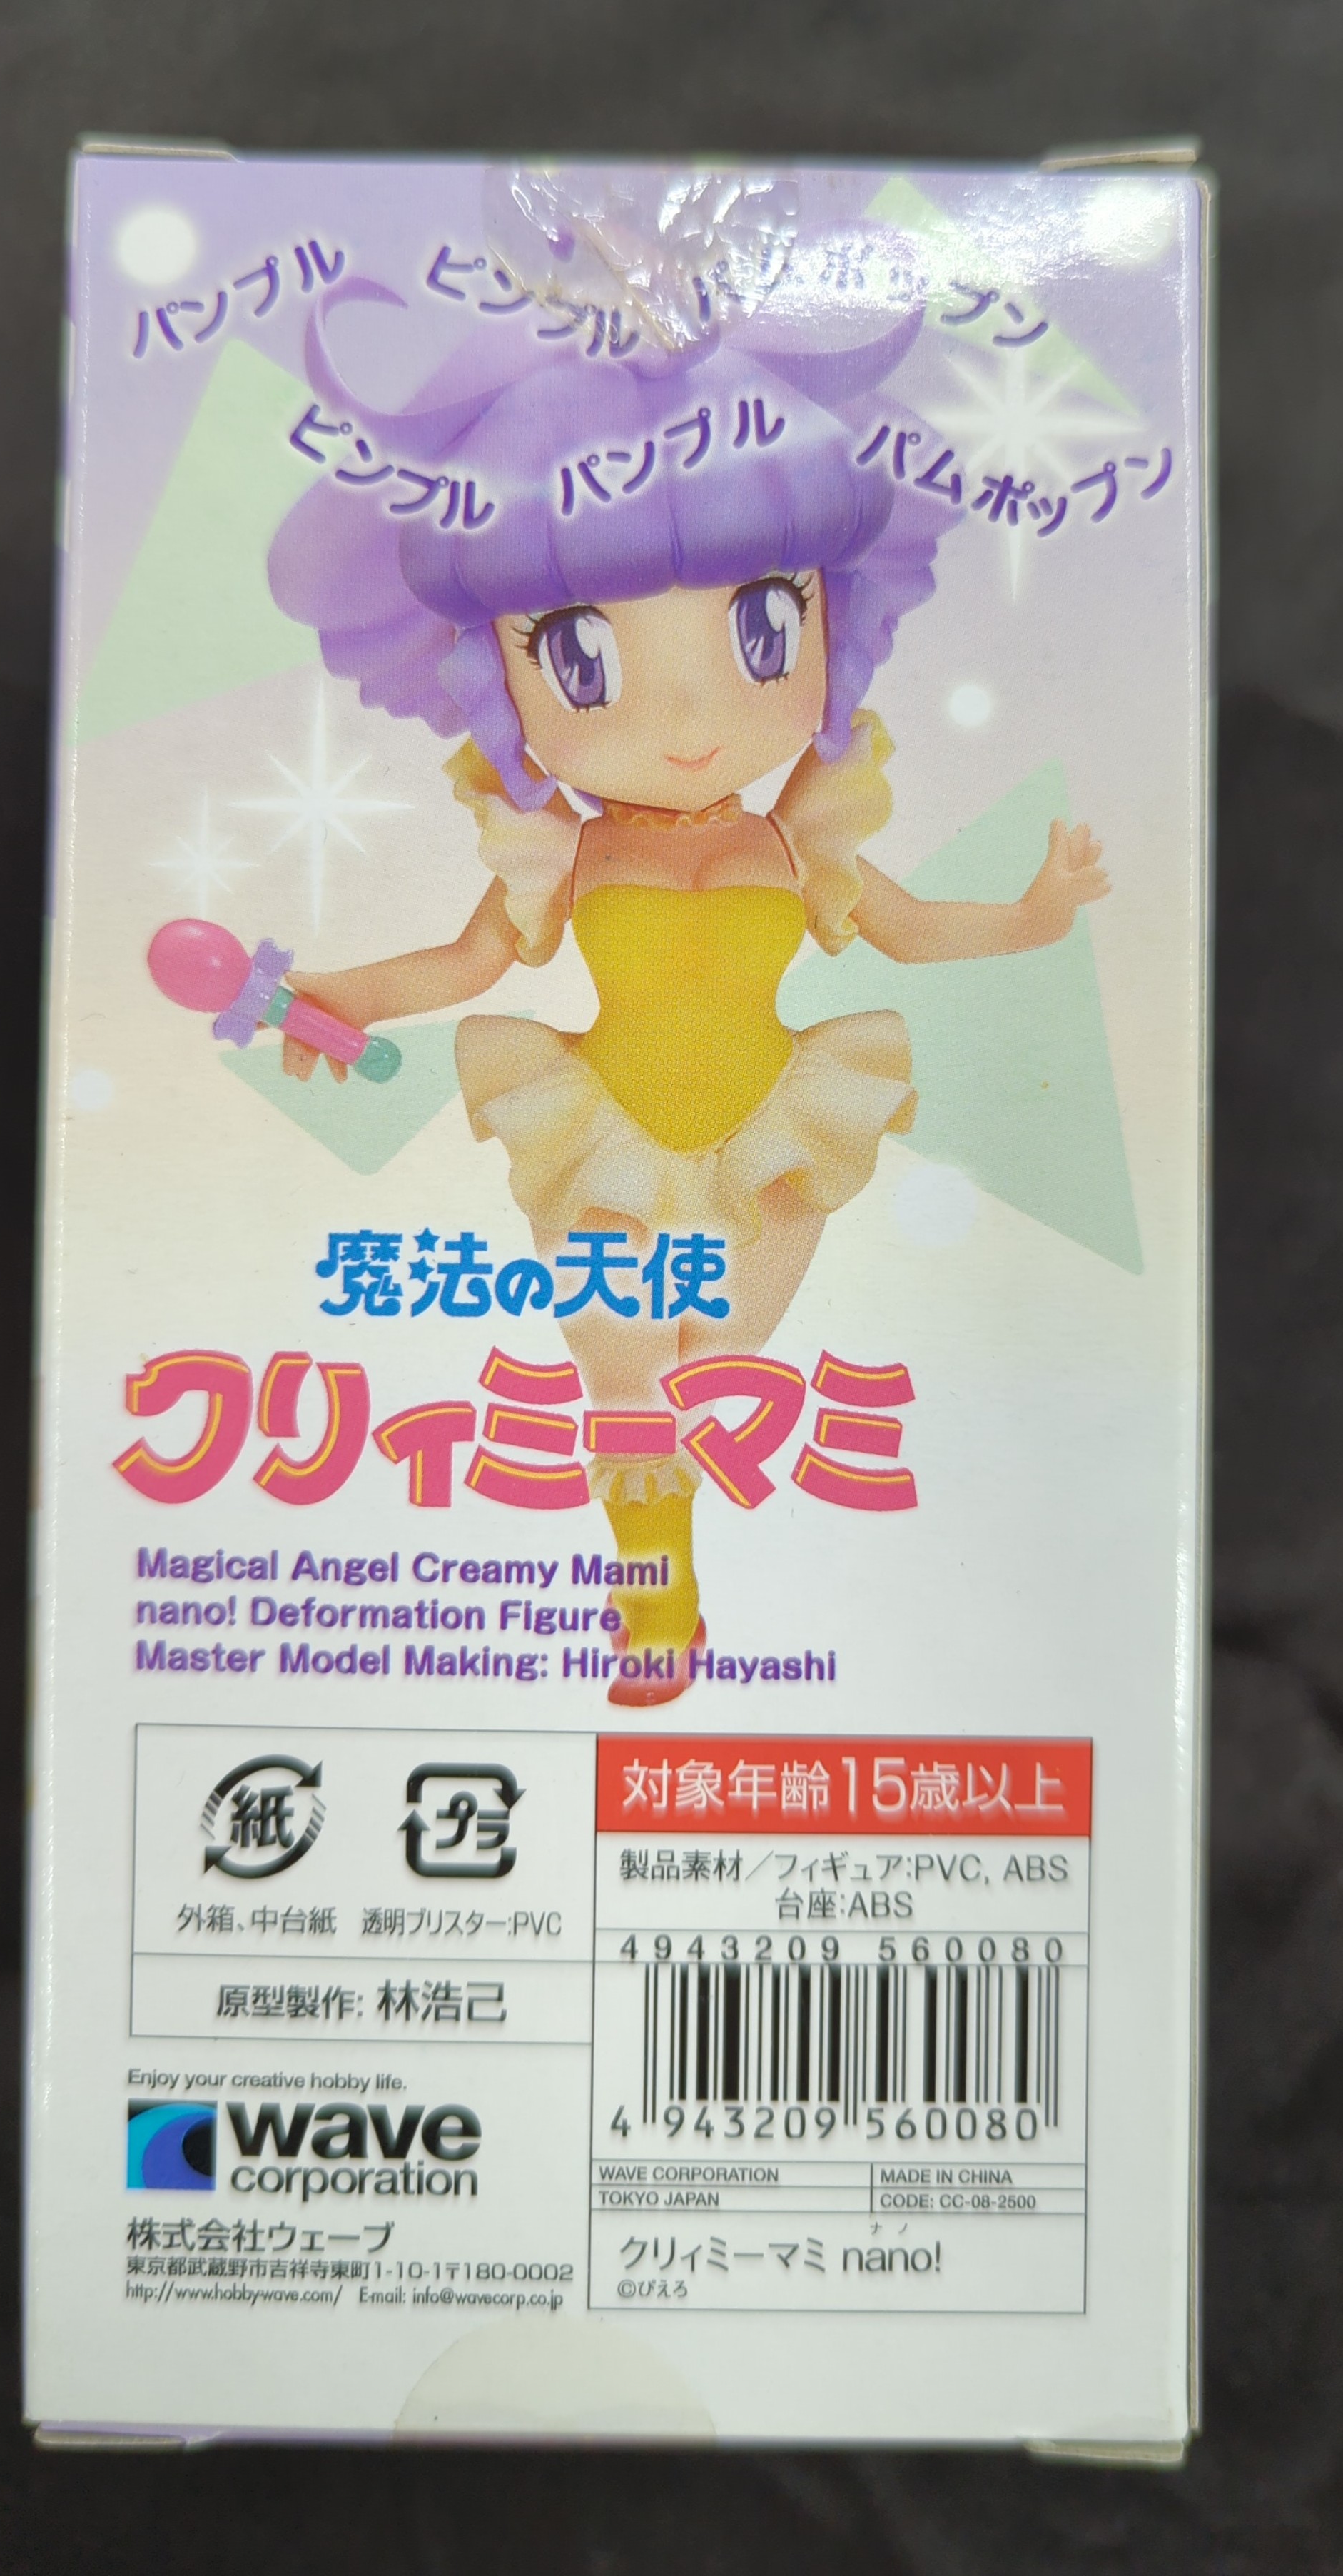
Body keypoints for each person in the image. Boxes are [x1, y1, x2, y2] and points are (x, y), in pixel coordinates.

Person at [269, 272, 1106, 1703]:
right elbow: (468, 962)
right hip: (605, 1132)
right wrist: (335, 989)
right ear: (494, 681)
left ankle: (678, 1537)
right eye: (583, 655)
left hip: (774, 1130)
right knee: (624, 1387)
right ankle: (657, 1604)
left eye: (763, 626)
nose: (687, 721)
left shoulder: (798, 838)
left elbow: (908, 931)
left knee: (715, 1372)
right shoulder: (568, 851)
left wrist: (1035, 914)